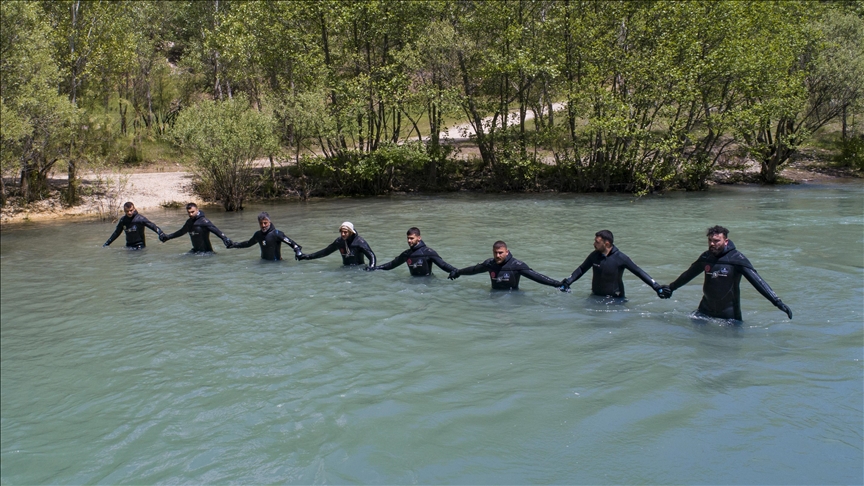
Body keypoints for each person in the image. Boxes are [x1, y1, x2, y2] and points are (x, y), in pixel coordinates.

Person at [659, 225, 792, 321]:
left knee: (729, 353)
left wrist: (777, 302)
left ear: (726, 241)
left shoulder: (736, 259)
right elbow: (688, 275)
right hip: (704, 311)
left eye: (716, 241)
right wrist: (671, 288)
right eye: (710, 240)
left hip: (729, 316)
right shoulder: (706, 257)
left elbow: (758, 282)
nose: (712, 244)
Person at [559, 230, 665, 298]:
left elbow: (639, 272)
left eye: (597, 242)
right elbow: (581, 269)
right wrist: (568, 282)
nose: (594, 244)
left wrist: (656, 287)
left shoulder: (621, 258)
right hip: (595, 296)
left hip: (615, 300)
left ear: (607, 243)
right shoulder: (594, 256)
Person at [448, 240, 561, 290]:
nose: (497, 255)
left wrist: (557, 284)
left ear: (507, 252)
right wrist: (458, 272)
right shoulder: (490, 264)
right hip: (494, 297)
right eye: (495, 252)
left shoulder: (517, 265)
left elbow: (537, 277)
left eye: (500, 252)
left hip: (513, 299)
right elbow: (473, 270)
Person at [366, 227, 456, 276]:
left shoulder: (428, 252)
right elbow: (391, 265)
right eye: (408, 238)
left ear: (419, 238)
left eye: (411, 238)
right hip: (412, 283)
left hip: (428, 284)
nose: (409, 241)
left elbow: (443, 265)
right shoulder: (407, 254)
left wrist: (455, 271)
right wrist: (375, 268)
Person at [228, 211, 303, 261]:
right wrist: (234, 245)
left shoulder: (276, 234)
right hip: (263, 263)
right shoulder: (258, 235)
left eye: (265, 223)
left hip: (276, 264)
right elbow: (248, 244)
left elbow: (292, 244)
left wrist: (297, 251)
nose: (263, 225)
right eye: (261, 223)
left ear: (269, 222)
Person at [160, 202, 232, 253]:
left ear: (197, 210)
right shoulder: (189, 222)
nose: (190, 214)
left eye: (192, 212)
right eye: (189, 212)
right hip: (195, 251)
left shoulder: (204, 221)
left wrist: (225, 238)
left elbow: (216, 230)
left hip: (206, 253)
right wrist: (168, 237)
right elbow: (181, 232)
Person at [297, 222, 376, 267]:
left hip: (358, 269)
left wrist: (372, 267)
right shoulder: (339, 242)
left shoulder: (359, 242)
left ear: (351, 232)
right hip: (345, 269)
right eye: (341, 232)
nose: (343, 234)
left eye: (345, 232)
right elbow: (325, 252)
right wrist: (307, 257)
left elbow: (371, 256)